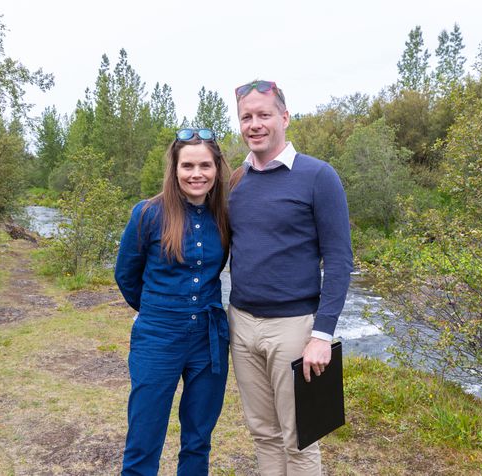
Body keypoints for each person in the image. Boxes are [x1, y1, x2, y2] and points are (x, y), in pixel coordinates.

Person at [228, 80, 353, 475]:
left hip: (294, 330)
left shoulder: (318, 176)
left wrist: (321, 334)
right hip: (242, 324)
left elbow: (338, 259)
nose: (255, 124)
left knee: (300, 439)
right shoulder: (236, 181)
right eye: (247, 116)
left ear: (284, 117)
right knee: (263, 433)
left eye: (264, 114)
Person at [114, 128, 230, 475]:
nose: (197, 174)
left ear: (217, 169)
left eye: (205, 166)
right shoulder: (148, 213)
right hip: (157, 338)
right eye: (188, 166)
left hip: (209, 339)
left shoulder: (223, 215)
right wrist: (155, 311)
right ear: (175, 169)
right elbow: (126, 275)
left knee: (198, 439)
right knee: (144, 436)